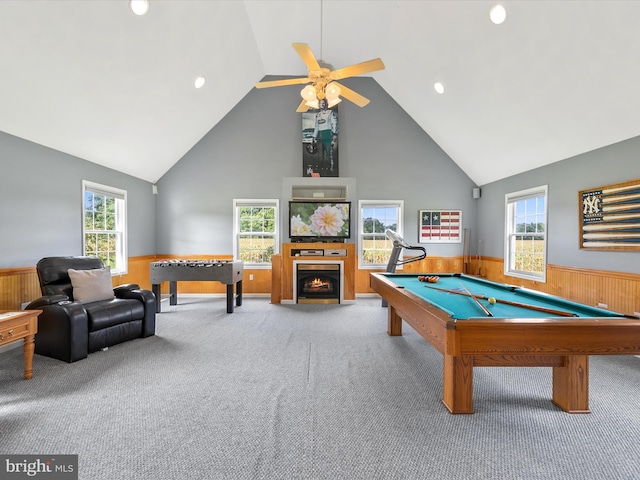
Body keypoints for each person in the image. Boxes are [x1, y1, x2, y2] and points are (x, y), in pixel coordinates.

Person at [313, 99, 338, 171]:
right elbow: (316, 126)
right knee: (320, 154)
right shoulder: (318, 115)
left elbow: (334, 123)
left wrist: (334, 133)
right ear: (319, 105)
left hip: (327, 133)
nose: (322, 104)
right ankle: (321, 168)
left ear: (326, 104)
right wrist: (314, 136)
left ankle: (329, 168)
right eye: (321, 103)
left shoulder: (330, 112)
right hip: (319, 135)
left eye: (324, 103)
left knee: (328, 152)